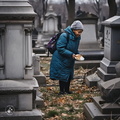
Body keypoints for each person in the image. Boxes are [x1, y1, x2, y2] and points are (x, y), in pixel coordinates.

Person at [50, 20, 84, 95]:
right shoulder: (64, 36)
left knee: (68, 75)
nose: (80, 34)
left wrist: (77, 54)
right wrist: (71, 54)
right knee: (62, 75)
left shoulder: (77, 37)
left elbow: (75, 48)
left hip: (69, 58)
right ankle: (62, 91)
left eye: (81, 32)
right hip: (60, 58)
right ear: (73, 30)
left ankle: (67, 90)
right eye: (78, 31)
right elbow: (60, 48)